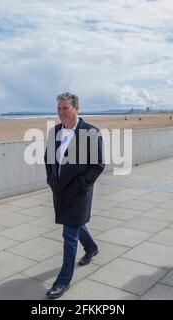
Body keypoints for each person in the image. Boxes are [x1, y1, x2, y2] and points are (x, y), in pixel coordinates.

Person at [44, 92, 105, 298]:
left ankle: (63, 281)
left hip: (79, 192)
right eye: (59, 108)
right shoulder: (54, 132)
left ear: (76, 108)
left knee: (69, 233)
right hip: (59, 190)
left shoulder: (91, 132)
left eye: (65, 108)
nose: (61, 113)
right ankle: (91, 248)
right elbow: (48, 160)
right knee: (76, 223)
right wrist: (51, 180)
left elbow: (98, 165)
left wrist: (81, 184)